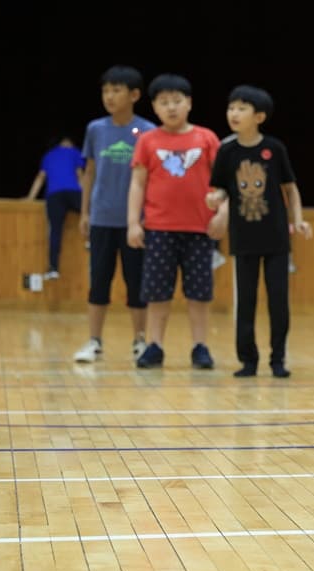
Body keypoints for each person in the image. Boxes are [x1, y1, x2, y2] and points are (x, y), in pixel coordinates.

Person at [207, 85, 311, 378]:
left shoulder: (274, 149)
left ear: (259, 116)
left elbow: (290, 189)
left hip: (276, 238)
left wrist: (299, 220)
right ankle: (248, 360)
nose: (233, 114)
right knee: (246, 302)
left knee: (278, 301)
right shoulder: (226, 151)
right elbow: (220, 190)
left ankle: (278, 359)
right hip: (243, 239)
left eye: (241, 108)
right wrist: (215, 199)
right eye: (231, 108)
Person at [128, 73, 222, 369]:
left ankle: (200, 346)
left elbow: (224, 183)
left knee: (199, 294)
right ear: (154, 107)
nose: (171, 108)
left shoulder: (206, 138)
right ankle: (154, 345)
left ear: (189, 103)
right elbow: (137, 184)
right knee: (157, 293)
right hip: (158, 229)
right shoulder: (147, 140)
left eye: (177, 101)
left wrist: (222, 214)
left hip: (200, 229)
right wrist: (133, 222)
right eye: (164, 102)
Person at [72, 66, 157, 364]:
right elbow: (90, 172)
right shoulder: (96, 129)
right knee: (99, 282)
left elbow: (153, 178)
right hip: (101, 218)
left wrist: (148, 216)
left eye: (116, 90)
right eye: (106, 90)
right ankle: (94, 341)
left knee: (137, 283)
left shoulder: (148, 131)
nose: (109, 96)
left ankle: (140, 341)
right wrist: (85, 212)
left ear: (134, 95)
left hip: (136, 222)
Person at [25, 135, 85, 279]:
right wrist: (86, 199)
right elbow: (80, 175)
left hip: (54, 195)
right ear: (67, 142)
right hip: (73, 192)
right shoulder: (75, 151)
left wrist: (30, 198)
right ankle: (91, 240)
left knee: (55, 230)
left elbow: (40, 178)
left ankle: (53, 268)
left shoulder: (48, 155)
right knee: (91, 213)